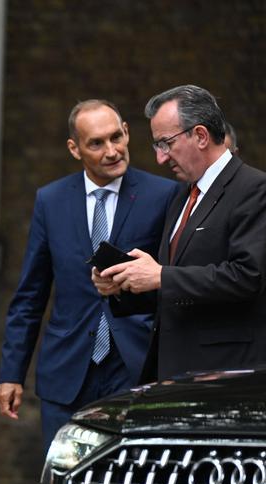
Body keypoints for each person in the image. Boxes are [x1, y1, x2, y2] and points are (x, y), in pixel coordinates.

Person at [0, 100, 177, 450]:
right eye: (96, 143)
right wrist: (11, 374)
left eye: (116, 137)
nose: (112, 151)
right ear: (74, 149)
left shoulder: (162, 195)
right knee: (64, 477)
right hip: (67, 368)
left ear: (126, 131)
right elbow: (30, 296)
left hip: (134, 366)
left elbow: (172, 281)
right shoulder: (50, 201)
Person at [94, 84, 266, 381]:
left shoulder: (254, 189)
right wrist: (125, 284)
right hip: (171, 371)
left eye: (165, 143)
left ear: (200, 136)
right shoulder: (182, 195)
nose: (161, 158)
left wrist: (160, 275)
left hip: (222, 375)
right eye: (157, 146)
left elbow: (247, 277)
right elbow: (176, 292)